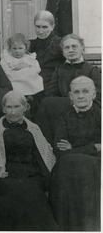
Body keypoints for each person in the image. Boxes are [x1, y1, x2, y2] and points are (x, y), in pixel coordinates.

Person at [0, 90, 58, 231]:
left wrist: (46, 177)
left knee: (32, 194)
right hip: (6, 172)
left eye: (17, 107)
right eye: (9, 107)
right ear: (3, 108)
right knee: (9, 195)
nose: (12, 112)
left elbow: (42, 154)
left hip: (30, 173)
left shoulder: (33, 128)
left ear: (25, 108)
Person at [49, 76, 101, 231]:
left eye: (85, 91)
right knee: (65, 167)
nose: (80, 96)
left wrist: (73, 148)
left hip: (95, 166)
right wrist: (94, 147)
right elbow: (60, 151)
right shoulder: (65, 117)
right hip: (69, 166)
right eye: (76, 92)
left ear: (94, 94)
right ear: (70, 96)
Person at [35, 33, 101, 145]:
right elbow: (51, 93)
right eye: (67, 47)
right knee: (46, 103)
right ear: (63, 51)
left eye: (74, 46)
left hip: (86, 110)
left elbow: (98, 98)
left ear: (82, 48)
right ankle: (46, 146)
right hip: (63, 111)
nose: (70, 50)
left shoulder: (91, 70)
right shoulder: (59, 70)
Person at [29, 10, 65, 91]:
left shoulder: (61, 43)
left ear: (52, 27)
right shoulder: (29, 45)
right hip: (32, 85)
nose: (40, 31)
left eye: (45, 27)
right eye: (37, 27)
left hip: (53, 85)